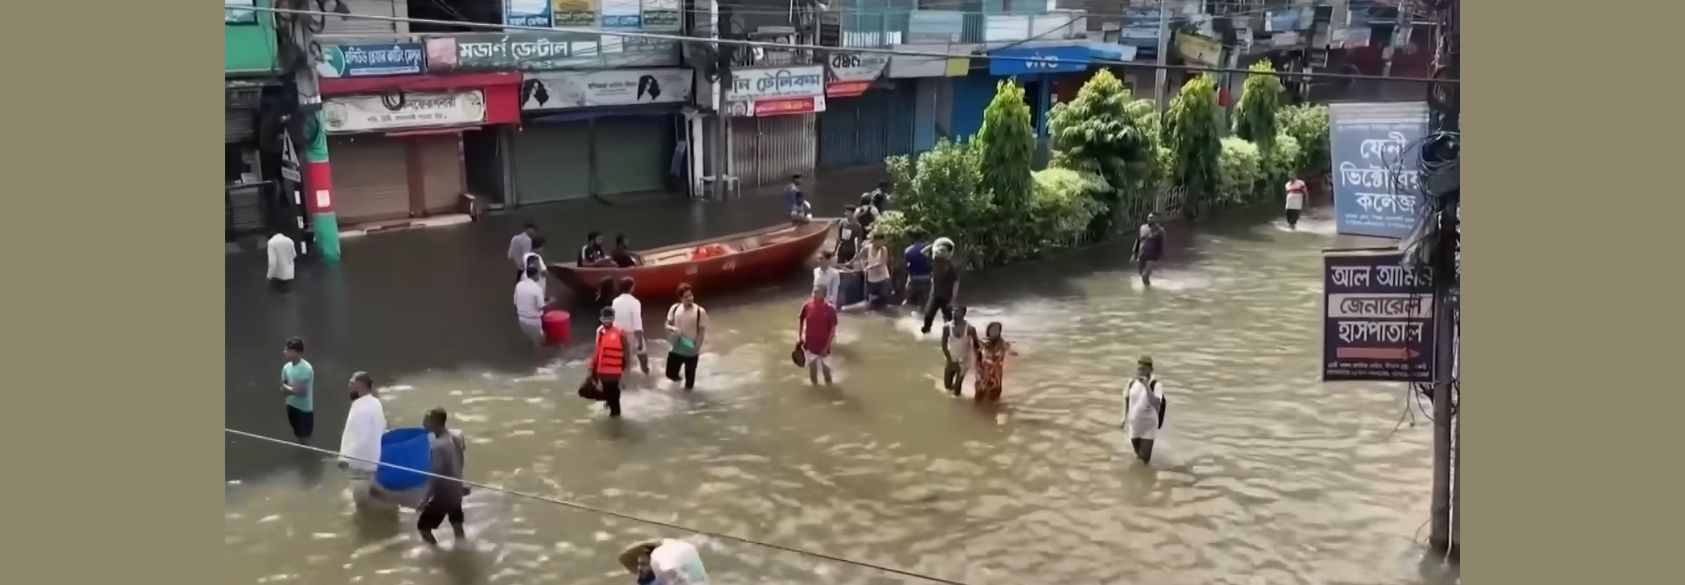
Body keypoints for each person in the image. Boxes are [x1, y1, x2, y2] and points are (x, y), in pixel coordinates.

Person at [417, 408, 468, 546]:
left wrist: (425, 499)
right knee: (457, 524)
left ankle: (437, 555)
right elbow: (461, 461)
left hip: (444, 494)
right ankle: (463, 552)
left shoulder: (438, 446)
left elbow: (436, 474)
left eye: (427, 420)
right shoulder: (457, 436)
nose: (424, 423)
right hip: (456, 489)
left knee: (423, 527)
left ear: (436, 423)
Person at [338, 371, 387, 508]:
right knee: (371, 491)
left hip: (359, 462)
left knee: (360, 503)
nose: (349, 385)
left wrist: (345, 459)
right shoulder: (375, 403)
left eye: (352, 383)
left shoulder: (361, 407)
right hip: (373, 459)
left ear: (361, 385)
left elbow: (355, 437)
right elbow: (382, 427)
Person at [589, 306, 635, 417]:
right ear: (600, 319)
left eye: (609, 318)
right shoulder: (599, 331)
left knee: (614, 399)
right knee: (606, 393)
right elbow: (597, 350)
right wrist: (593, 368)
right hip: (602, 369)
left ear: (613, 318)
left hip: (615, 370)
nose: (607, 321)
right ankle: (609, 405)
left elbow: (626, 349)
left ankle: (616, 420)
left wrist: (627, 367)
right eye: (604, 318)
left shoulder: (620, 332)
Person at [664, 283, 708, 391]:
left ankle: (689, 404)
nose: (689, 298)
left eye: (691, 295)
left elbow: (701, 332)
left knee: (689, 385)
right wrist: (672, 329)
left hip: (691, 351)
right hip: (676, 348)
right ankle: (678, 382)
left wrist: (696, 348)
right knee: (670, 375)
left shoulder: (700, 311)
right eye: (686, 297)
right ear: (680, 298)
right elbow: (666, 324)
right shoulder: (674, 308)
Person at [1123, 356, 1167, 464]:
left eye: (1143, 369)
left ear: (1150, 370)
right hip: (1134, 424)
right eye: (1139, 369)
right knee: (1139, 456)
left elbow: (1156, 403)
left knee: (1144, 460)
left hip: (1148, 425)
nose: (1140, 371)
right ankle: (1140, 477)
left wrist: (1146, 386)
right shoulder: (1131, 382)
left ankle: (1144, 476)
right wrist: (1124, 417)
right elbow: (1127, 398)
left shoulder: (1155, 385)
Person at [797, 285, 839, 386]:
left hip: (824, 348)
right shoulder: (807, 306)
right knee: (812, 373)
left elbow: (832, 331)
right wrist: (799, 337)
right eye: (813, 292)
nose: (813, 294)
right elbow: (801, 319)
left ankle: (830, 394)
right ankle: (816, 393)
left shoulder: (830, 310)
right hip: (810, 346)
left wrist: (826, 347)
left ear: (823, 295)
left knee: (827, 374)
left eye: (816, 292)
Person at [611, 277, 651, 379]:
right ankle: (646, 374)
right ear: (631, 288)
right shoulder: (635, 302)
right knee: (642, 356)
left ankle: (624, 382)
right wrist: (640, 342)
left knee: (624, 361)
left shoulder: (615, 301)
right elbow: (637, 323)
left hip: (618, 334)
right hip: (631, 334)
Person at [279, 337, 315, 443]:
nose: (285, 352)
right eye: (285, 349)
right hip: (291, 406)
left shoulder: (305, 368)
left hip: (303, 410)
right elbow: (284, 386)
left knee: (304, 438)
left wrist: (287, 389)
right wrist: (287, 390)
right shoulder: (286, 367)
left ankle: (306, 455)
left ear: (298, 353)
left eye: (289, 351)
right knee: (297, 434)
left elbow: (301, 392)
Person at [921, 242, 962, 334]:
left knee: (949, 321)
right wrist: (934, 245)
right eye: (939, 250)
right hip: (934, 295)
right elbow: (923, 253)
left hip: (947, 297)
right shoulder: (935, 261)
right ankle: (925, 334)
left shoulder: (952, 267)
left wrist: (953, 299)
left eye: (943, 250)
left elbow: (956, 283)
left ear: (949, 253)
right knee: (928, 316)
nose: (940, 252)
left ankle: (950, 337)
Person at [972, 322, 1018, 403]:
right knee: (978, 398)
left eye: (996, 330)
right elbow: (976, 356)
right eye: (992, 329)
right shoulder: (982, 343)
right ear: (988, 331)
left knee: (994, 399)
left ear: (1000, 332)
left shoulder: (1003, 344)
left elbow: (1009, 350)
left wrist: (1012, 353)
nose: (994, 332)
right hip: (983, 374)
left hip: (995, 376)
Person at [940, 306, 979, 396]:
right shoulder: (946, 327)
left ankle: (957, 403)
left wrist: (978, 359)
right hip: (950, 358)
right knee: (948, 386)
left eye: (957, 311)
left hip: (964, 360)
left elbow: (976, 344)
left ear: (963, 313)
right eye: (953, 311)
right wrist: (950, 360)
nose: (954, 313)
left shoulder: (970, 329)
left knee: (957, 388)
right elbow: (944, 345)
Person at [513, 264, 548, 346]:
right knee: (540, 341)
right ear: (535, 275)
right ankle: (540, 358)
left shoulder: (519, 285)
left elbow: (515, 302)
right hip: (533, 321)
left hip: (521, 320)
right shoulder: (537, 288)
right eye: (538, 273)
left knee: (530, 340)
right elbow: (541, 307)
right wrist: (551, 302)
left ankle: (529, 356)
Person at [1130, 212, 1167, 288]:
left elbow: (1162, 244)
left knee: (1145, 276)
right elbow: (1138, 241)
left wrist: (1161, 256)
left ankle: (1148, 292)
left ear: (1156, 219)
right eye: (1149, 217)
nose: (1150, 219)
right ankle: (1148, 287)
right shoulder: (1142, 228)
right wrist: (1134, 254)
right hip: (1142, 254)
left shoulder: (1160, 230)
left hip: (1152, 257)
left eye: (1152, 217)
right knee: (1142, 275)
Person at [862, 232, 893, 309]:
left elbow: (882, 262)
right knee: (871, 303)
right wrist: (861, 266)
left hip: (883, 278)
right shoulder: (867, 248)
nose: (882, 243)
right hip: (871, 279)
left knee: (884, 300)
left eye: (883, 241)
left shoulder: (883, 249)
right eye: (881, 241)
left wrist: (869, 267)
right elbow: (859, 257)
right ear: (875, 240)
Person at [902, 240, 932, 308]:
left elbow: (906, 265)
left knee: (909, 303)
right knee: (924, 304)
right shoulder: (929, 248)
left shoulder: (908, 250)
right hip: (926, 278)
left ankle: (906, 317)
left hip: (913, 278)